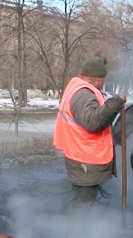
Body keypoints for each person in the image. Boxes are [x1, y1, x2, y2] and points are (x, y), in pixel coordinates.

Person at [53, 56, 126, 211]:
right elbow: (93, 122)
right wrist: (115, 103)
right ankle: (78, 233)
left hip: (80, 154)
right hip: (84, 157)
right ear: (98, 79)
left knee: (83, 198)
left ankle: (80, 230)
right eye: (103, 79)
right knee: (82, 202)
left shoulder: (78, 88)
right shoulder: (84, 95)